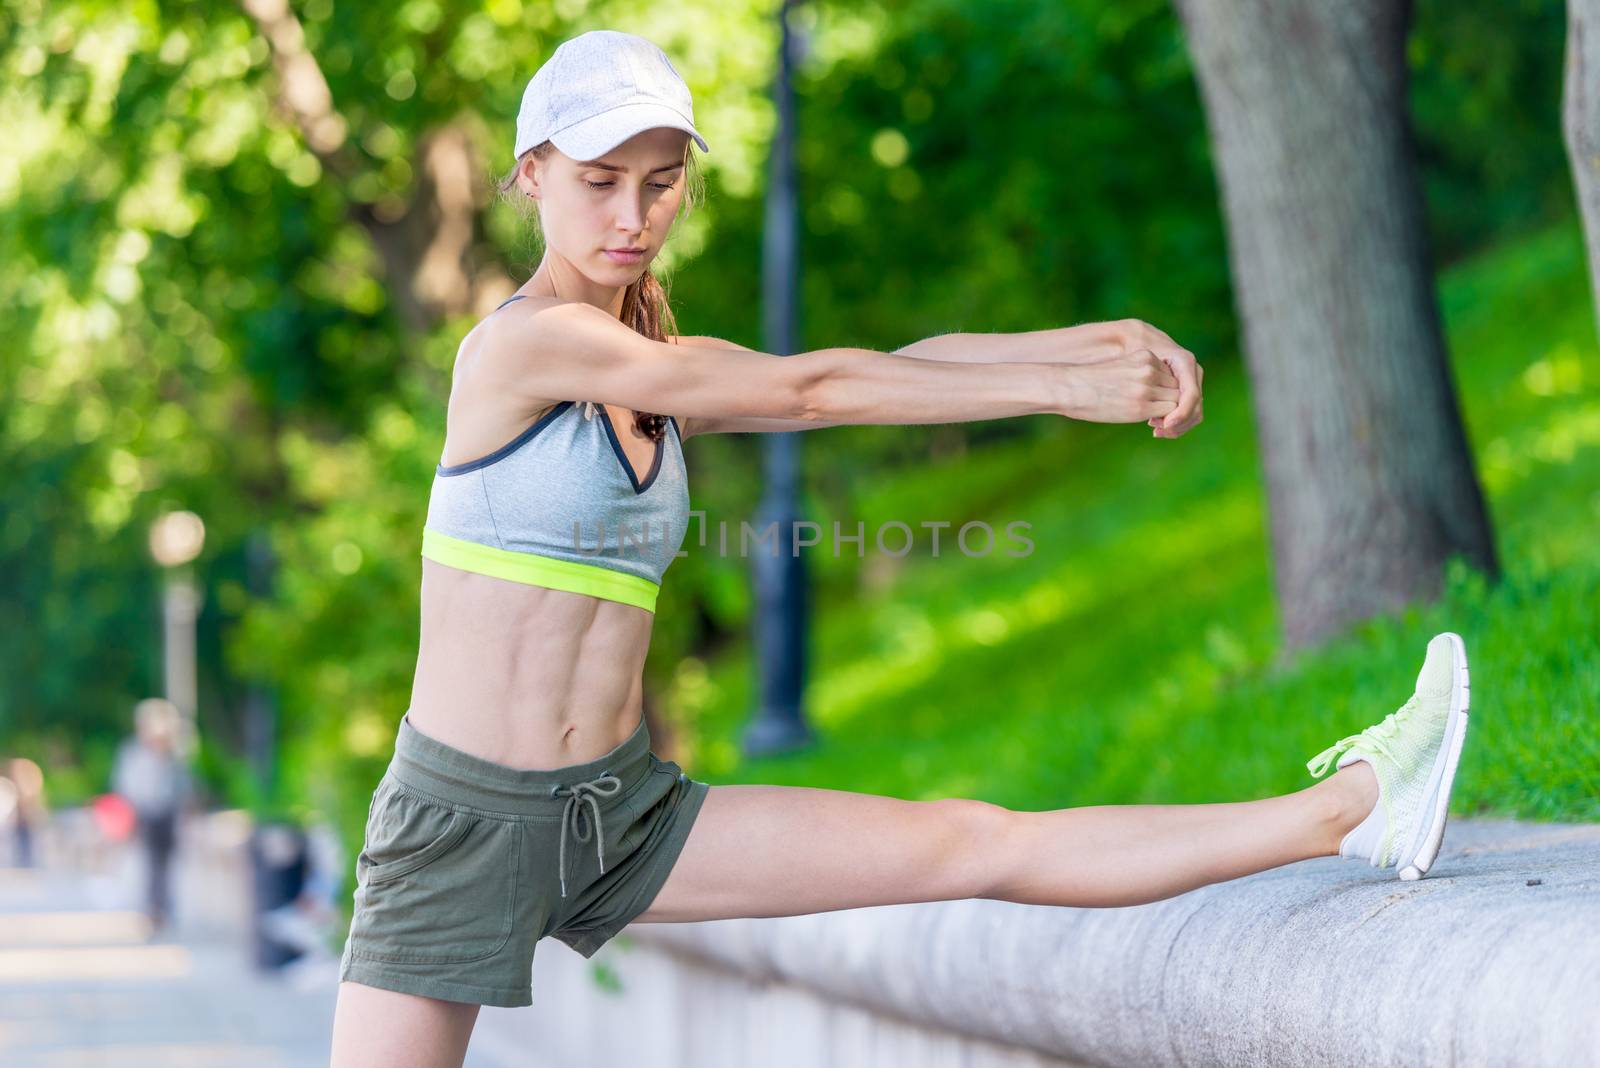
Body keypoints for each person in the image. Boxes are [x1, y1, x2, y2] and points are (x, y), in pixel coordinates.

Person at [330, 29, 1473, 1067]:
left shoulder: (656, 356)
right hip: (463, 825)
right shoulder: (517, 351)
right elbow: (812, 392)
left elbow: (884, 357)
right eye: (598, 183)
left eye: (661, 183)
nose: (632, 216)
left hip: (623, 815)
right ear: (529, 173)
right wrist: (1069, 390)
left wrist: (1093, 340)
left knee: (970, 843)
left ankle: (1357, 807)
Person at [111, 697, 194, 934]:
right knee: (148, 866)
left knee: (166, 866)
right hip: (144, 814)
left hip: (168, 815)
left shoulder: (174, 755)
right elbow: (127, 785)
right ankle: (152, 910)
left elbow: (184, 787)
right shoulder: (133, 753)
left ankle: (164, 909)